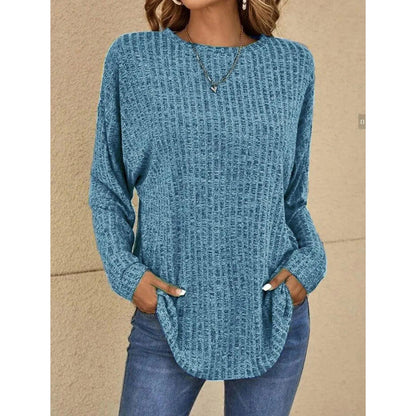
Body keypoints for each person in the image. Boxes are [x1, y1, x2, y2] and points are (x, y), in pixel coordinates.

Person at [88, 0, 327, 414]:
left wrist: (311, 263)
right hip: (169, 315)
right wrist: (127, 274)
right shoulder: (133, 59)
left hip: (271, 312)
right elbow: (108, 185)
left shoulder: (293, 65)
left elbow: (291, 198)